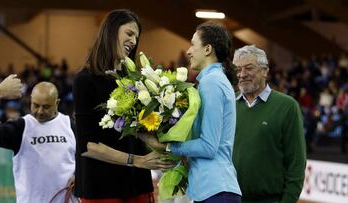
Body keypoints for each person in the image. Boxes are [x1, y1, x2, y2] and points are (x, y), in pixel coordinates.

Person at [73, 9, 173, 203]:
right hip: (101, 188)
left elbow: (139, 131)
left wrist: (168, 149)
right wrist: (137, 160)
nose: (134, 41)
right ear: (110, 31)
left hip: (137, 185)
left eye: (137, 37)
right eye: (129, 33)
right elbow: (88, 146)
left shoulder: (137, 80)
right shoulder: (85, 80)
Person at [139, 23, 242, 203]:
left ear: (208, 49)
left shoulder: (212, 82)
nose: (188, 51)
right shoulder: (214, 81)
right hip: (214, 188)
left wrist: (168, 146)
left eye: (193, 44)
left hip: (215, 189)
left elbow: (208, 147)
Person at [232, 45, 306, 203]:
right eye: (238, 69)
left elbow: (296, 163)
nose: (242, 74)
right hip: (229, 198)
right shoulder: (227, 103)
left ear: (265, 70)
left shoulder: (287, 106)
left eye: (249, 68)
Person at [0, 81, 76, 202]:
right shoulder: (21, 128)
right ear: (30, 100)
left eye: (46, 107)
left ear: (57, 103)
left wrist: (79, 177)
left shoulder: (70, 125)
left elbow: (85, 160)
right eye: (36, 105)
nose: (40, 111)